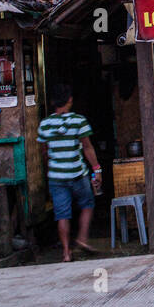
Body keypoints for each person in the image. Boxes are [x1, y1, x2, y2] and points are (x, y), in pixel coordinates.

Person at [37, 83, 101, 262]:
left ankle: (66, 253)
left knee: (62, 214)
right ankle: (82, 238)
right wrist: (97, 169)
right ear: (70, 100)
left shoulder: (45, 124)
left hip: (56, 177)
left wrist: (50, 169)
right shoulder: (78, 121)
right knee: (87, 204)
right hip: (77, 174)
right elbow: (87, 148)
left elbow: (44, 152)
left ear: (53, 101)